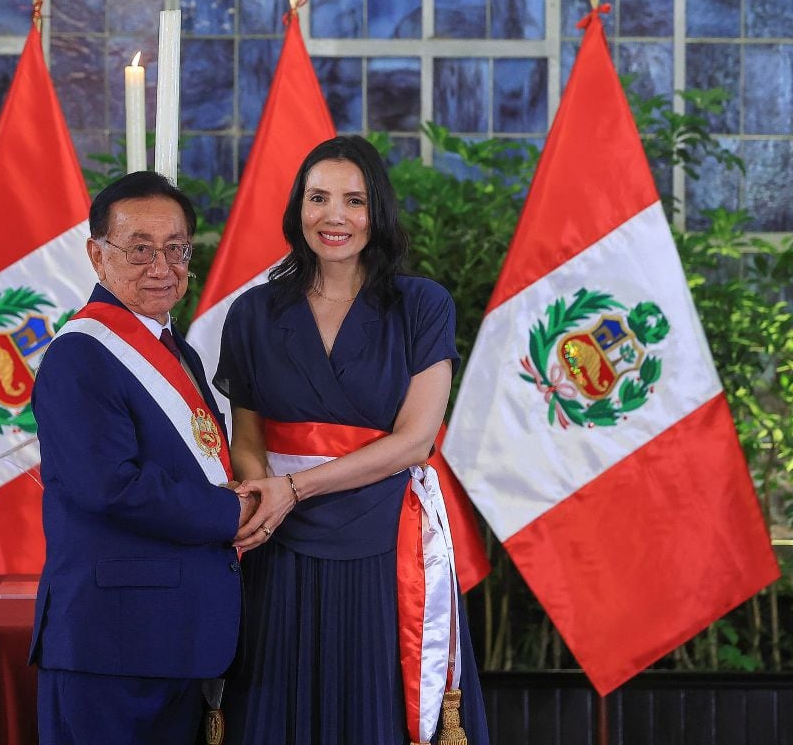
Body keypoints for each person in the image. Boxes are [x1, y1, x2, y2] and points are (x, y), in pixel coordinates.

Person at [215, 136, 490, 744]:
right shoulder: (253, 312)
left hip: (385, 538)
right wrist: (263, 503)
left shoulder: (423, 306)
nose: (333, 216)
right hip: (276, 543)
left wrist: (294, 487)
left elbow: (416, 440)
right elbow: (247, 435)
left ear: (379, 212)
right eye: (318, 198)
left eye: (353, 200)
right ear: (297, 209)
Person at [28, 171, 254, 744]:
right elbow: (111, 486)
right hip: (112, 643)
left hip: (180, 638)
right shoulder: (80, 356)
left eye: (175, 249)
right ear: (96, 256)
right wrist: (235, 514)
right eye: (139, 249)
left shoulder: (178, 352)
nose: (161, 267)